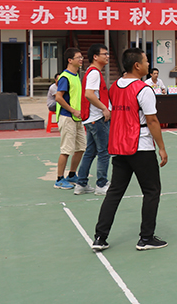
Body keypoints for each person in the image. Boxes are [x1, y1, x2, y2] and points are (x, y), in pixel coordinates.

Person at [91, 48, 168, 252]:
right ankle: (146, 237)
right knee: (151, 191)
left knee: (115, 192)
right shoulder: (144, 89)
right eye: (146, 60)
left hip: (120, 146)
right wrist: (161, 147)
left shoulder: (115, 87)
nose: (148, 64)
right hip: (140, 146)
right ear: (137, 65)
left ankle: (100, 237)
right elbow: (152, 121)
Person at [74, 44, 111, 196]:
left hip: (91, 119)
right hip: (97, 119)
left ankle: (81, 183)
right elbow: (89, 94)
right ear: (95, 57)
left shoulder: (92, 72)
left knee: (90, 151)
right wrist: (104, 108)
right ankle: (101, 184)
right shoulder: (94, 73)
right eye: (104, 54)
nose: (107, 56)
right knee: (104, 152)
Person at [53, 48, 86, 190]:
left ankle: (72, 174)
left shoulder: (76, 76)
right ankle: (59, 179)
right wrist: (73, 110)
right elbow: (58, 97)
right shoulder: (65, 77)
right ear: (70, 60)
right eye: (78, 57)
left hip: (77, 118)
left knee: (81, 148)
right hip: (67, 117)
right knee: (66, 150)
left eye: (82, 57)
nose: (81, 59)